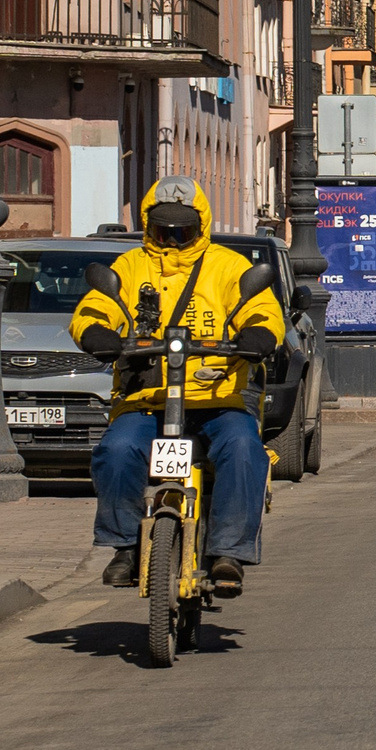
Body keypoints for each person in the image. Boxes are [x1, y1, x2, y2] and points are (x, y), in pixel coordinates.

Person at [72, 178, 287, 596]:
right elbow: (97, 306)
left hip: (217, 396)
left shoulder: (227, 266)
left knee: (244, 449)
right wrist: (95, 331)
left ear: (200, 225)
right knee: (117, 450)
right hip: (146, 397)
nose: (171, 238)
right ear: (147, 224)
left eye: (182, 230)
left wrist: (260, 333)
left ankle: (229, 551)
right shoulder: (130, 266)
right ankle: (126, 546)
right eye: (162, 229)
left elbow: (260, 307)